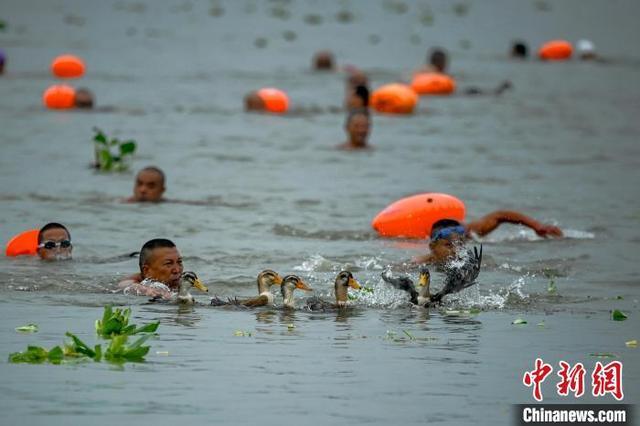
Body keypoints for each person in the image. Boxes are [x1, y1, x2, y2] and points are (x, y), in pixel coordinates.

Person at [414, 212, 563, 266]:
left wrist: (537, 226)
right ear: (432, 247)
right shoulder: (422, 262)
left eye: (459, 244)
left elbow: (499, 215)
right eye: (448, 246)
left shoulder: (471, 232)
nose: (455, 250)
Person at [118, 238, 184, 298]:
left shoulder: (186, 280)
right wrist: (145, 290)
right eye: (168, 263)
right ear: (146, 271)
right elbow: (125, 285)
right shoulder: (136, 281)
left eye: (179, 262)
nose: (177, 270)